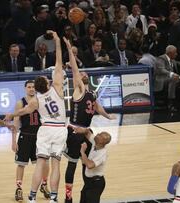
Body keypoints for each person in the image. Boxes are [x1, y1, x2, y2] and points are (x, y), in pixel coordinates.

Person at [5, 31, 67, 203]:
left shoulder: (36, 101)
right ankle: (53, 197)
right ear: (47, 84)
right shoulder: (57, 88)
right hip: (59, 129)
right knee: (55, 165)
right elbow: (59, 62)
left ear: (36, 88)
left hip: (44, 130)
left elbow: (23, 112)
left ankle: (32, 196)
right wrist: (57, 41)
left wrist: (11, 114)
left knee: (40, 164)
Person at [63, 38, 115, 203]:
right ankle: (68, 196)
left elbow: (98, 107)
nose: (83, 74)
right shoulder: (79, 89)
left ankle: (88, 188)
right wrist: (70, 50)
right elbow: (75, 69)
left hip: (86, 131)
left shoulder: (91, 94)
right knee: (72, 164)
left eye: (85, 73)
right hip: (74, 130)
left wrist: (108, 116)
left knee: (88, 162)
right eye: (81, 73)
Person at [12, 80, 50, 201]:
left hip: (39, 137)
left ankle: (44, 185)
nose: (31, 89)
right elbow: (16, 121)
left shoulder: (41, 100)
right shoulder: (20, 103)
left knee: (44, 163)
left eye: (33, 87)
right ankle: (18, 189)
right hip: (25, 135)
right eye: (29, 87)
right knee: (21, 164)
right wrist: (13, 140)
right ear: (25, 88)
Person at [71, 126, 111, 203]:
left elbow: (89, 165)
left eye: (100, 135)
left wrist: (82, 152)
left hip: (96, 184)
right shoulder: (95, 143)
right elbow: (87, 132)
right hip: (89, 182)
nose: (98, 134)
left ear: (102, 142)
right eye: (99, 133)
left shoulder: (102, 153)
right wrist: (79, 128)